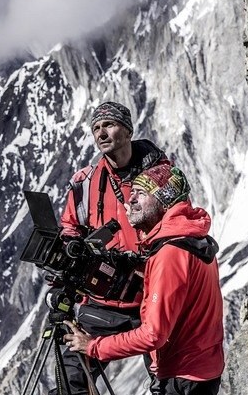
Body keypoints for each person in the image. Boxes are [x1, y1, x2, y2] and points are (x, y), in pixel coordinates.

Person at [63, 164, 224, 395]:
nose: (131, 200)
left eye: (141, 193)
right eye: (132, 193)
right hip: (203, 369)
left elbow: (153, 334)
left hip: (182, 376)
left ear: (164, 199)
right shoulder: (194, 239)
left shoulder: (170, 253)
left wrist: (93, 346)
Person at [54, 101, 169, 394]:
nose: (101, 133)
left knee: (168, 384)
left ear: (127, 130)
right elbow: (70, 227)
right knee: (70, 384)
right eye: (96, 128)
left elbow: (178, 227)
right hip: (102, 301)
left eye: (109, 125)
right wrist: (71, 252)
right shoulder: (85, 183)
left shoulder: (161, 178)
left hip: (152, 299)